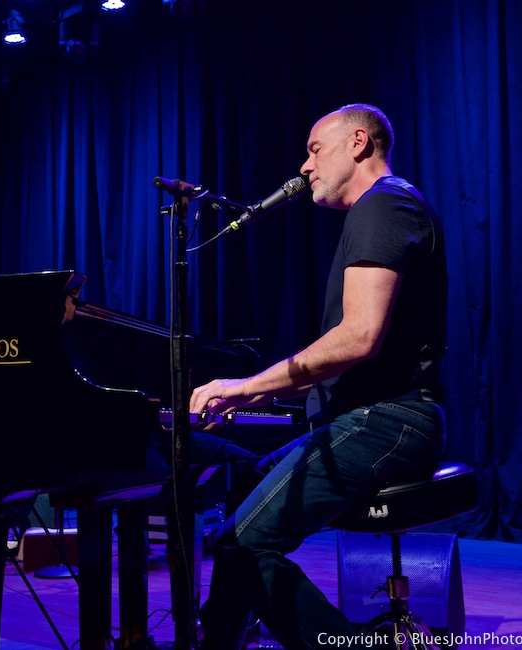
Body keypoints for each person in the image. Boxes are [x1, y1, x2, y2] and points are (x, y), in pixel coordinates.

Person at [189, 103, 448, 650]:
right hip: (370, 418)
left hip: (387, 423)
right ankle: (221, 640)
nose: (305, 167)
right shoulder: (382, 210)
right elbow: (362, 356)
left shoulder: (384, 206)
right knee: (242, 485)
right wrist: (255, 396)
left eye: (314, 149)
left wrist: (242, 387)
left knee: (240, 543)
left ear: (358, 143)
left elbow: (357, 339)